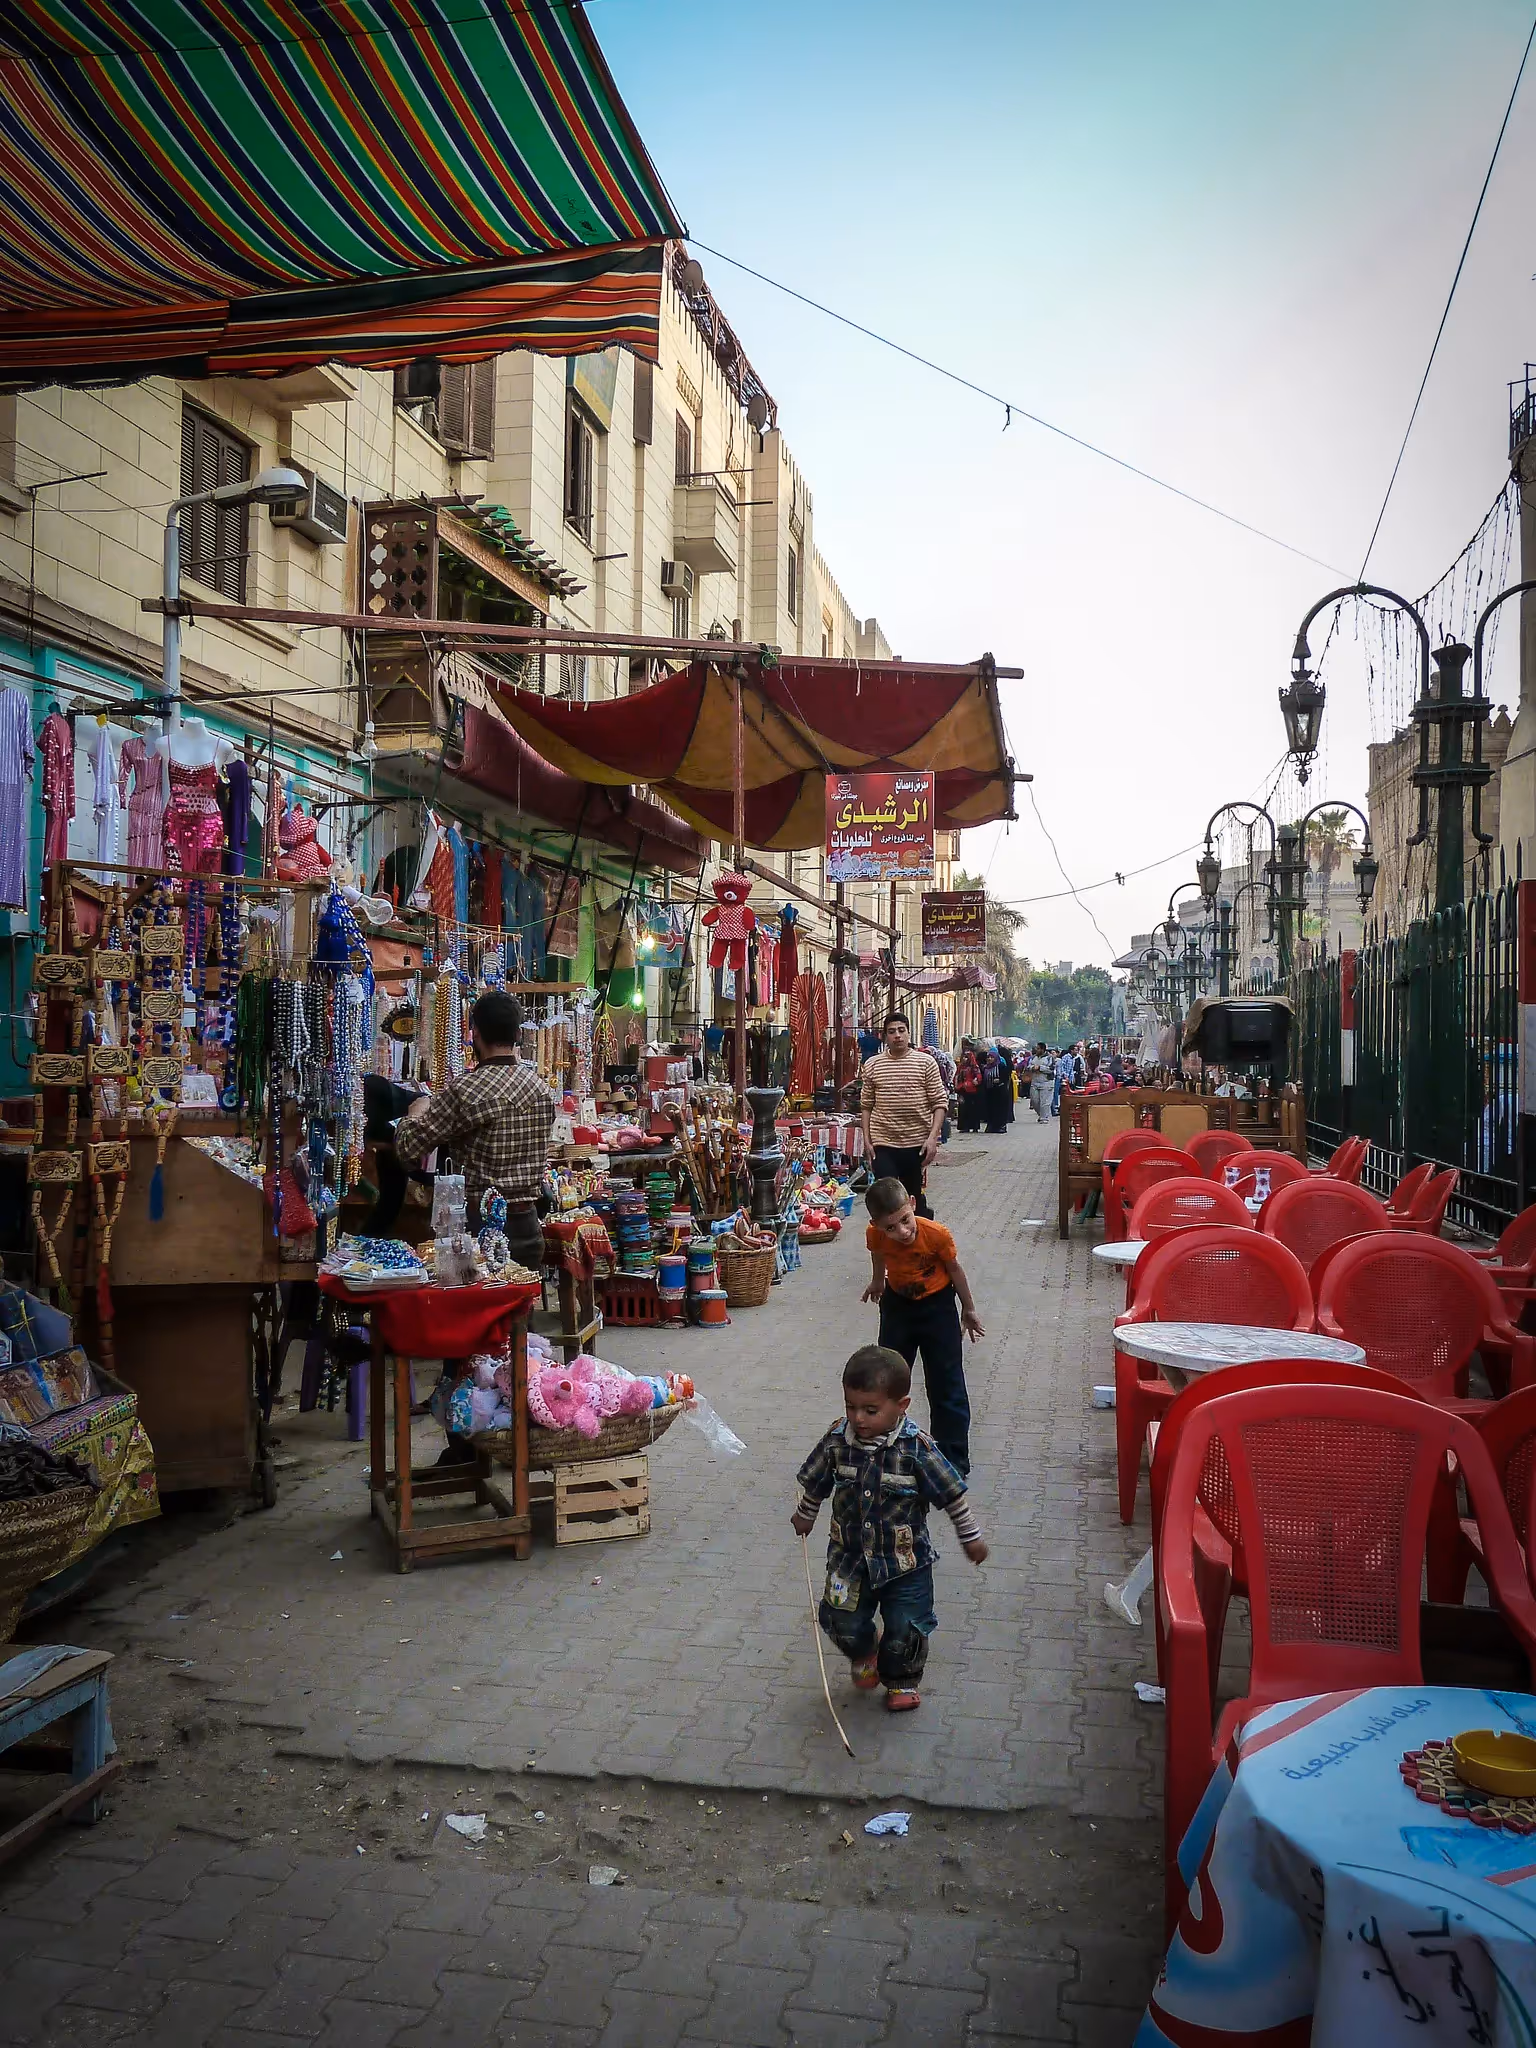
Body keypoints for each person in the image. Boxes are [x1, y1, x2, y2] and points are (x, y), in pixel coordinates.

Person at [792, 1345, 987, 1714]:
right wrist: (806, 1512)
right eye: (851, 1407)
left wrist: (970, 1535)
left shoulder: (917, 1449)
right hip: (848, 1560)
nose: (859, 1419)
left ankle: (901, 1679)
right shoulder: (837, 1441)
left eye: (871, 1410)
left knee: (906, 1628)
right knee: (838, 1617)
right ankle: (865, 1648)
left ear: (902, 1405)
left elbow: (951, 1494)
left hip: (905, 1563)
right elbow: (816, 1481)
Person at [393, 988, 554, 1277]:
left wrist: (414, 1113)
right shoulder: (540, 1089)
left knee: (480, 1316)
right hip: (528, 1227)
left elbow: (408, 1147)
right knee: (518, 1316)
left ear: (475, 1033)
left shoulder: (466, 1091)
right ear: (518, 1035)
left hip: (480, 1231)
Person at [861, 1173, 983, 1474]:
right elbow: (877, 1253)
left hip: (937, 1306)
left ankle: (952, 1461)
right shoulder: (875, 1234)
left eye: (905, 1219)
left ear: (913, 1204)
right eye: (891, 1227)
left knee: (946, 1383)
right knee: (886, 1380)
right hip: (897, 1307)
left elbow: (955, 1269)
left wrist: (968, 1309)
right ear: (877, 1225)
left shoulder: (936, 1234)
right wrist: (878, 1282)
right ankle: (883, 1449)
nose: (902, 1231)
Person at [859, 1012, 947, 1219]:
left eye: (901, 1030)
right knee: (886, 1197)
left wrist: (933, 1138)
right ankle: (888, 1244)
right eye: (891, 1032)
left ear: (908, 1033)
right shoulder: (872, 1065)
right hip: (883, 1142)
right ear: (885, 1037)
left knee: (913, 1197)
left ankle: (920, 1235)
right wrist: (867, 1141)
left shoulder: (926, 1062)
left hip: (916, 1143)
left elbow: (939, 1104)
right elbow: (866, 1106)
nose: (897, 1035)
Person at [980, 1040, 1010, 1135]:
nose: (989, 1059)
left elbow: (1006, 1077)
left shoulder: (1001, 1066)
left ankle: (1001, 1126)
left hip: (1000, 1092)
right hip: (989, 1092)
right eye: (988, 1057)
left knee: (1000, 1110)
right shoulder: (985, 1068)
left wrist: (1000, 1080)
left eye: (991, 1057)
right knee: (990, 1109)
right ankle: (991, 1125)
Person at [955, 1039, 983, 1133]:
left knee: (973, 1109)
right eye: (964, 1057)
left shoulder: (974, 1067)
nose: (964, 1059)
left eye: (966, 1057)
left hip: (972, 1091)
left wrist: (976, 1081)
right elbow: (956, 1076)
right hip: (962, 1090)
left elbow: (978, 1076)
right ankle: (964, 1127)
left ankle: (974, 1126)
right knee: (963, 1109)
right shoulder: (960, 1067)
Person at [1027, 1042, 1054, 1123]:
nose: (1037, 1050)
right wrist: (1032, 1068)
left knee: (1044, 1102)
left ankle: (1044, 1117)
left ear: (1043, 1049)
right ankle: (1041, 1114)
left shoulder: (1049, 1058)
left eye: (1038, 1048)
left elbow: (1051, 1069)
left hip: (1046, 1082)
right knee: (1035, 1101)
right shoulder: (1033, 1058)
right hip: (1035, 1082)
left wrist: (1040, 1068)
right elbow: (1028, 1067)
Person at [1053, 1044, 1075, 1117]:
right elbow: (1062, 1068)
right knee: (1059, 1092)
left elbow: (1071, 1069)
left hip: (1069, 1079)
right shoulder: (1065, 1057)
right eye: (1076, 1050)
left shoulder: (1073, 1058)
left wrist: (1072, 1077)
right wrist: (1065, 1076)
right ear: (1072, 1050)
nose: (1077, 1051)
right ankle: (1057, 1106)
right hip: (1061, 1078)